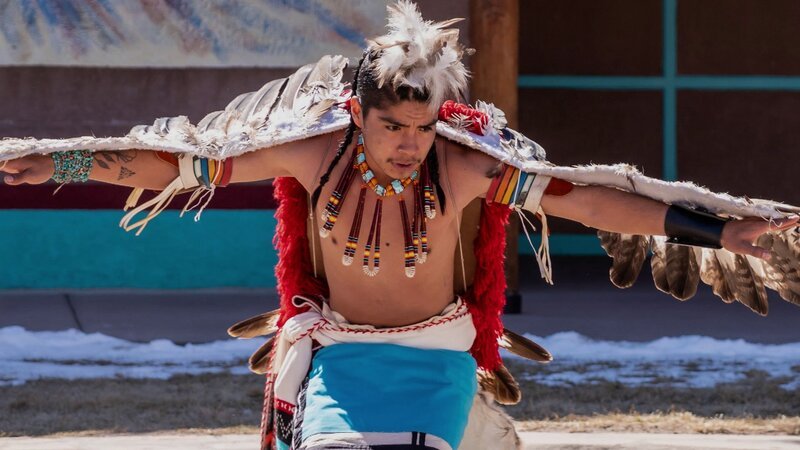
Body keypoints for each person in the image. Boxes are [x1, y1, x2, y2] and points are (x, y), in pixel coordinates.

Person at [2, 2, 798, 449]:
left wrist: (717, 233)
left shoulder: (463, 166)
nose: (410, 144)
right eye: (392, 128)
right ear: (358, 112)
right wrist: (63, 163)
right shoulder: (315, 155)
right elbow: (172, 163)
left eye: (420, 128)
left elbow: (590, 201)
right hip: (341, 359)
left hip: (437, 360)